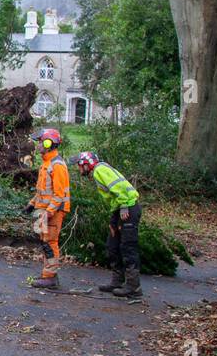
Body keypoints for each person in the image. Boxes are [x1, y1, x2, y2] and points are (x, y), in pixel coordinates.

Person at [73, 151, 143, 300]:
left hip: (128, 207)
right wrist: (115, 215)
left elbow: (119, 187)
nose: (78, 169)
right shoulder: (98, 171)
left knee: (128, 247)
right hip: (119, 209)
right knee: (113, 245)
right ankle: (117, 281)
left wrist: (124, 205)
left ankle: (133, 286)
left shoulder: (100, 170)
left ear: (86, 164)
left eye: (79, 166)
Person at [24, 128, 70, 290]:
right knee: (44, 242)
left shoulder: (57, 165)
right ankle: (47, 274)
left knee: (50, 242)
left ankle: (50, 277)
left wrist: (48, 213)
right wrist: (31, 204)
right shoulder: (46, 163)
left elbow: (59, 194)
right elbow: (42, 190)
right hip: (43, 209)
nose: (38, 146)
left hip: (53, 211)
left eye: (41, 142)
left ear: (49, 143)